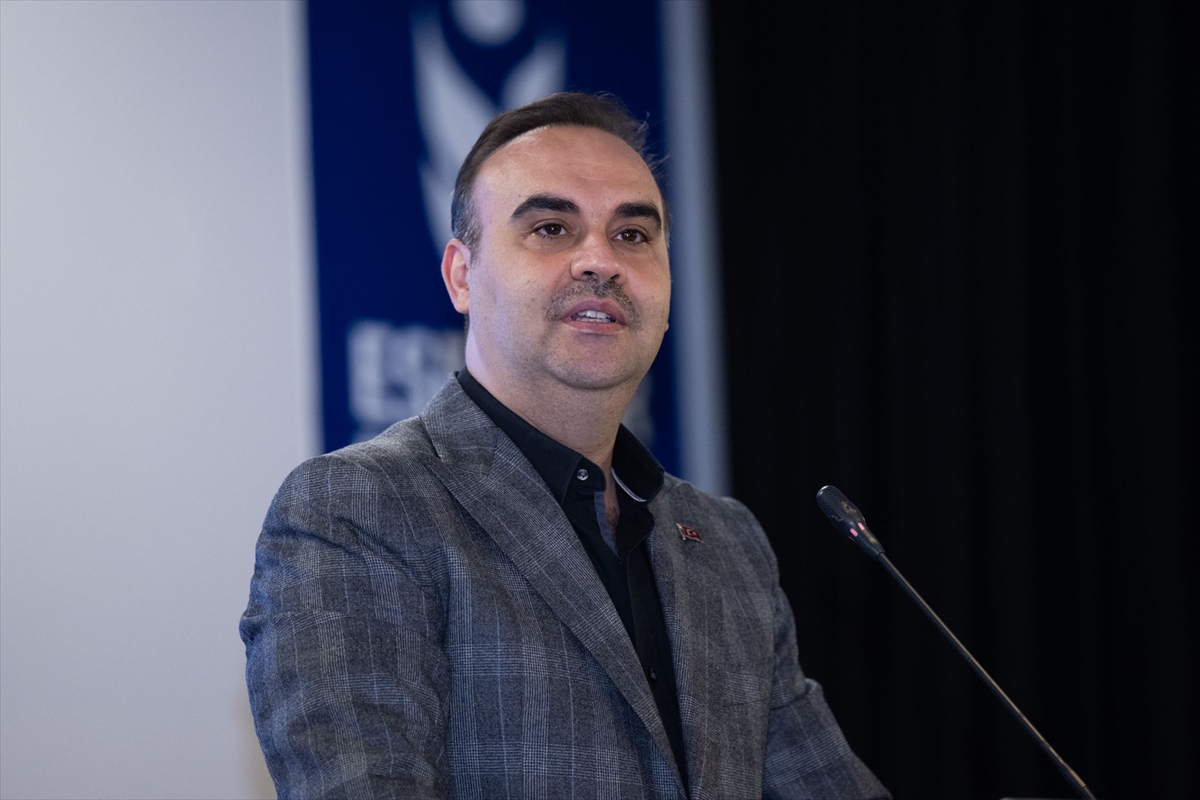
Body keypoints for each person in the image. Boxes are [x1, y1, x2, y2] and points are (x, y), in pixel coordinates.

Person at [241, 92, 889, 800]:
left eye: (633, 235)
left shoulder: (729, 544)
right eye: (551, 228)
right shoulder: (359, 510)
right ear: (461, 276)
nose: (600, 261)